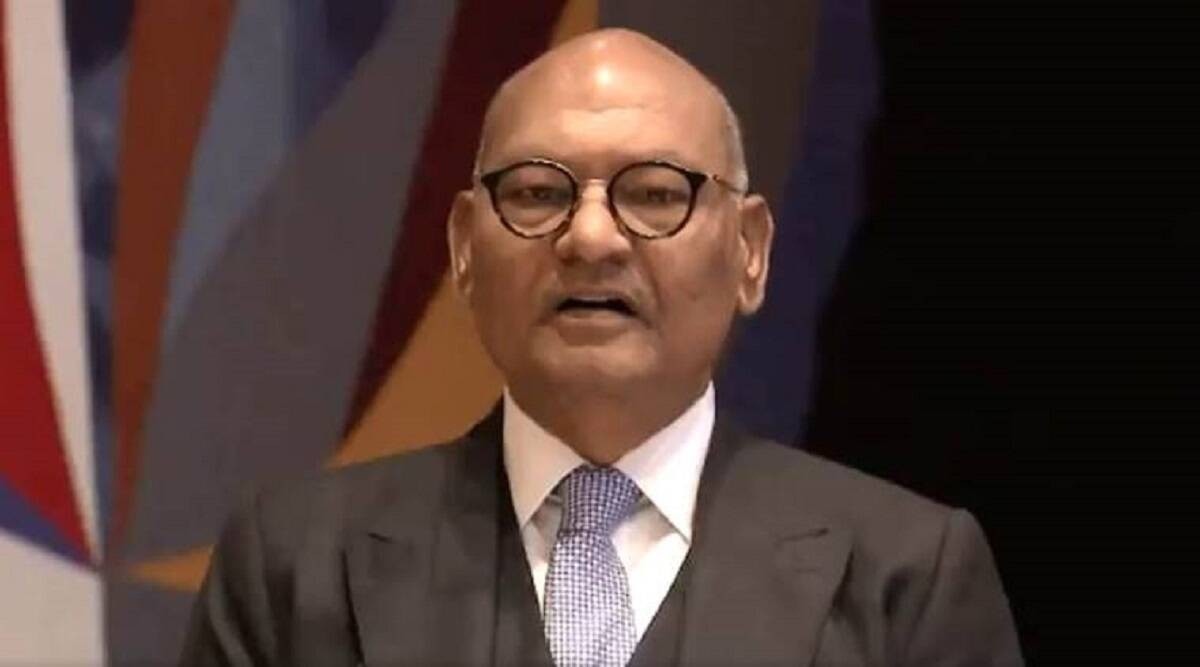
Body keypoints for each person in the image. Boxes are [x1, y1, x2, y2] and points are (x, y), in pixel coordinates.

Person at [181, 29, 1022, 666]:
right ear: (465, 249)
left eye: (654, 194)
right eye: (536, 192)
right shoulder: (294, 568)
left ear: (751, 251)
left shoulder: (905, 576)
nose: (590, 237)